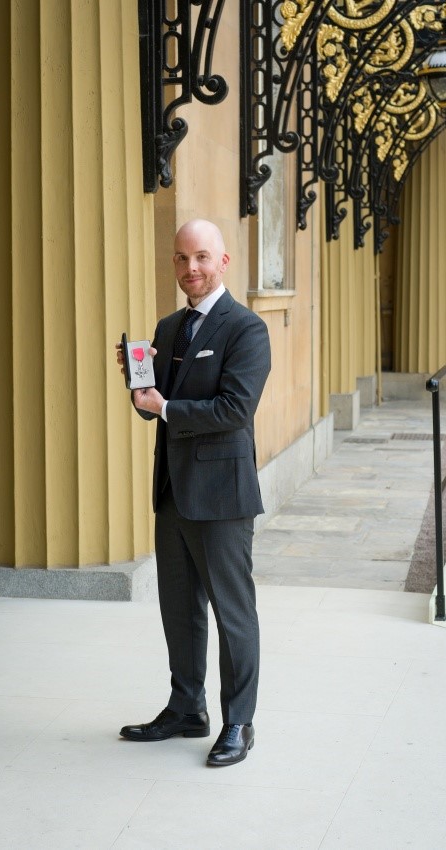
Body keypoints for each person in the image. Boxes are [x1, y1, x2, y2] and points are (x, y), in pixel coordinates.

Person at [116, 219, 271, 767]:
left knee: (233, 612)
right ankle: (187, 708)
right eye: (181, 259)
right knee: (178, 608)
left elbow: (234, 410)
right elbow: (156, 406)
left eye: (201, 257)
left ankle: (239, 722)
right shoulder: (168, 326)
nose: (191, 269)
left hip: (223, 496)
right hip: (173, 492)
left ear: (223, 261)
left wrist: (164, 408)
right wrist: (140, 389)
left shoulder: (246, 329)